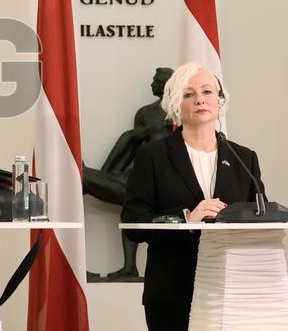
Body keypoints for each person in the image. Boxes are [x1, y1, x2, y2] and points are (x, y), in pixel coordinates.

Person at [121, 62, 265, 331]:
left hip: (232, 289)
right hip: (172, 290)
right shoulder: (152, 156)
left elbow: (261, 213)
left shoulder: (244, 158)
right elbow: (133, 221)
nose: (200, 99)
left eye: (208, 92)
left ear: (220, 102)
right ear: (176, 105)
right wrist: (186, 218)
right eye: (188, 94)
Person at [83, 66, 174, 279]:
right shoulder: (145, 113)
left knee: (78, 176)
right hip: (133, 179)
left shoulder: (179, 114)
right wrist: (108, 174)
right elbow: (131, 146)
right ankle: (126, 267)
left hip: (158, 186)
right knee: (79, 176)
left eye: (157, 80)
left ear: (168, 84)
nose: (152, 84)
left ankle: (127, 267)